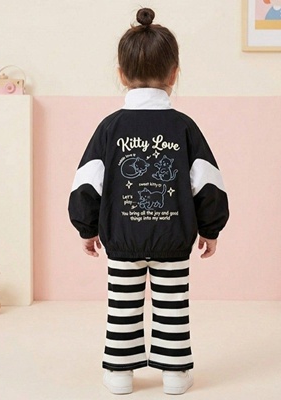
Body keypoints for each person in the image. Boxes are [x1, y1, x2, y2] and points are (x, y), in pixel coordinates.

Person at [68, 8, 229, 395]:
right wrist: (210, 229)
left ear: (121, 75)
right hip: (173, 239)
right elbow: (207, 182)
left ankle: (119, 374)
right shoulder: (184, 128)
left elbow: (87, 183)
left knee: (122, 308)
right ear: (174, 74)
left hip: (122, 239)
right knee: (173, 308)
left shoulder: (110, 128)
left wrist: (87, 228)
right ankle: (175, 375)